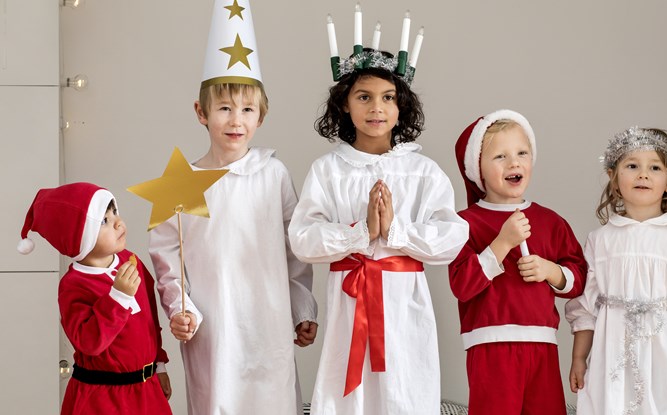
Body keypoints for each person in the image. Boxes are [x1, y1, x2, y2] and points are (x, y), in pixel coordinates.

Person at [148, 1, 317, 414]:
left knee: (272, 399)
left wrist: (301, 309)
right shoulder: (180, 182)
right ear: (201, 113)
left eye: (246, 109)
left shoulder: (272, 174)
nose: (235, 120)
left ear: (261, 115)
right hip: (214, 325)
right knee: (217, 400)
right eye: (224, 108)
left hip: (268, 318)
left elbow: (293, 248)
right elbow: (167, 257)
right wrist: (179, 307)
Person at [288, 46, 469, 414]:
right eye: (364, 97)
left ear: (401, 106)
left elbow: (451, 237)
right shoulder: (329, 170)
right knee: (350, 393)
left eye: (388, 98)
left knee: (404, 386)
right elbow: (303, 238)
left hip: (405, 304)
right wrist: (361, 232)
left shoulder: (422, 171)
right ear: (344, 104)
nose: (377, 108)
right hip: (350, 303)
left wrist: (395, 231)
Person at [565, 126, 667, 414]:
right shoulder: (600, 240)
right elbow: (585, 308)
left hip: (666, 356)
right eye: (632, 166)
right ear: (614, 179)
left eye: (654, 167)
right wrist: (579, 358)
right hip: (611, 356)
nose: (643, 174)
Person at [449, 109, 587, 415]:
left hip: (543, 346)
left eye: (522, 152)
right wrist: (501, 244)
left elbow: (579, 278)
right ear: (477, 169)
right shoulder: (464, 224)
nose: (514, 162)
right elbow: (462, 285)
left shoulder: (551, 222)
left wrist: (551, 271)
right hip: (490, 346)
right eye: (500, 156)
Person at [17, 182, 172, 415]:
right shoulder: (74, 286)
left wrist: (159, 365)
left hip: (146, 393)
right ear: (79, 236)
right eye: (104, 221)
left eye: (114, 212)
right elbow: (89, 343)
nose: (118, 222)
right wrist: (117, 297)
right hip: (101, 399)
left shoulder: (131, 261)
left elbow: (150, 322)